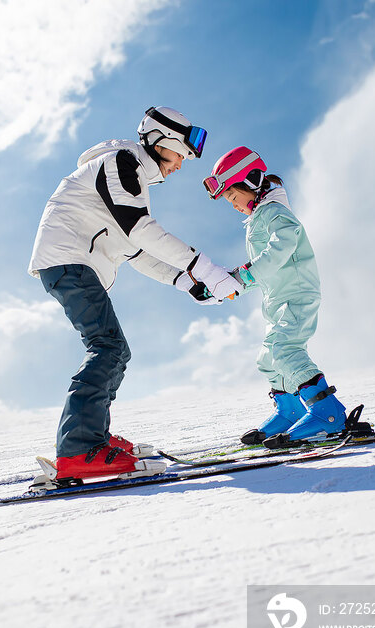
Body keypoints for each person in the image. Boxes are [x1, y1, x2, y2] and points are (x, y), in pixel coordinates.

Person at [28, 107, 242, 481]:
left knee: (114, 349)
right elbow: (141, 231)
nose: (180, 166)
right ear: (162, 142)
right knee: (107, 347)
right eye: (181, 155)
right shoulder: (119, 164)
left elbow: (137, 252)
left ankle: (92, 438)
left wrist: (188, 281)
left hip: (75, 263)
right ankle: (79, 450)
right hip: (67, 260)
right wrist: (203, 267)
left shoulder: (131, 181)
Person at [203, 146, 347, 445]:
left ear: (252, 180)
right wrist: (234, 283)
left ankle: (328, 413)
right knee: (268, 358)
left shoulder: (274, 212)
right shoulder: (259, 217)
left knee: (286, 349)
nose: (232, 205)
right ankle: (291, 411)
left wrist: (247, 275)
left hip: (297, 294)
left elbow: (282, 246)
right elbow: (265, 268)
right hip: (278, 300)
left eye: (232, 196)